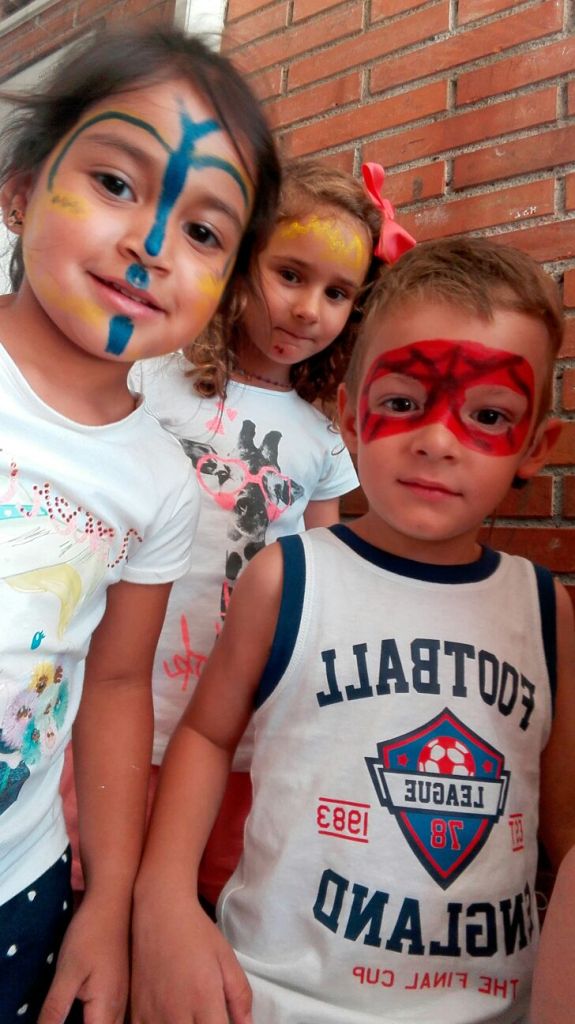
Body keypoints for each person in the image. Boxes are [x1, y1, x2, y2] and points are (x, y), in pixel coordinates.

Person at [131, 235, 575, 1024]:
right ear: (348, 418)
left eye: (488, 415)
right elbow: (205, 735)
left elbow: (566, 829)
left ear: (534, 448)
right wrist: (162, 899)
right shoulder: (287, 577)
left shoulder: (545, 611)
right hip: (272, 997)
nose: (436, 439)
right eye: (401, 402)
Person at [0, 23, 279, 1024]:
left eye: (203, 233)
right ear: (21, 188)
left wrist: (108, 904)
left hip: (17, 886)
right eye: (116, 183)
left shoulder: (161, 483)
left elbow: (117, 682)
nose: (151, 245)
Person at [117, 157, 415, 909]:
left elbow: (321, 581)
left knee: (210, 897)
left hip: (240, 730)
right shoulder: (151, 380)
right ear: (241, 260)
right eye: (289, 274)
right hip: (121, 701)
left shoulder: (323, 438)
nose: (309, 309)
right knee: (104, 890)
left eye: (337, 292)